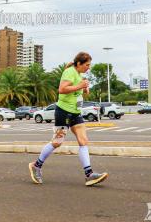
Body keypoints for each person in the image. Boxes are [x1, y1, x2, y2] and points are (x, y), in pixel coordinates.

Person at [29, 51, 108, 186]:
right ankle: (36, 166)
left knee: (83, 141)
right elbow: (62, 89)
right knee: (57, 142)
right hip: (63, 112)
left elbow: (76, 91)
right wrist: (80, 86)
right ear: (79, 63)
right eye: (87, 65)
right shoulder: (69, 72)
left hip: (76, 113)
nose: (88, 67)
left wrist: (84, 89)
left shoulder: (78, 74)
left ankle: (89, 175)